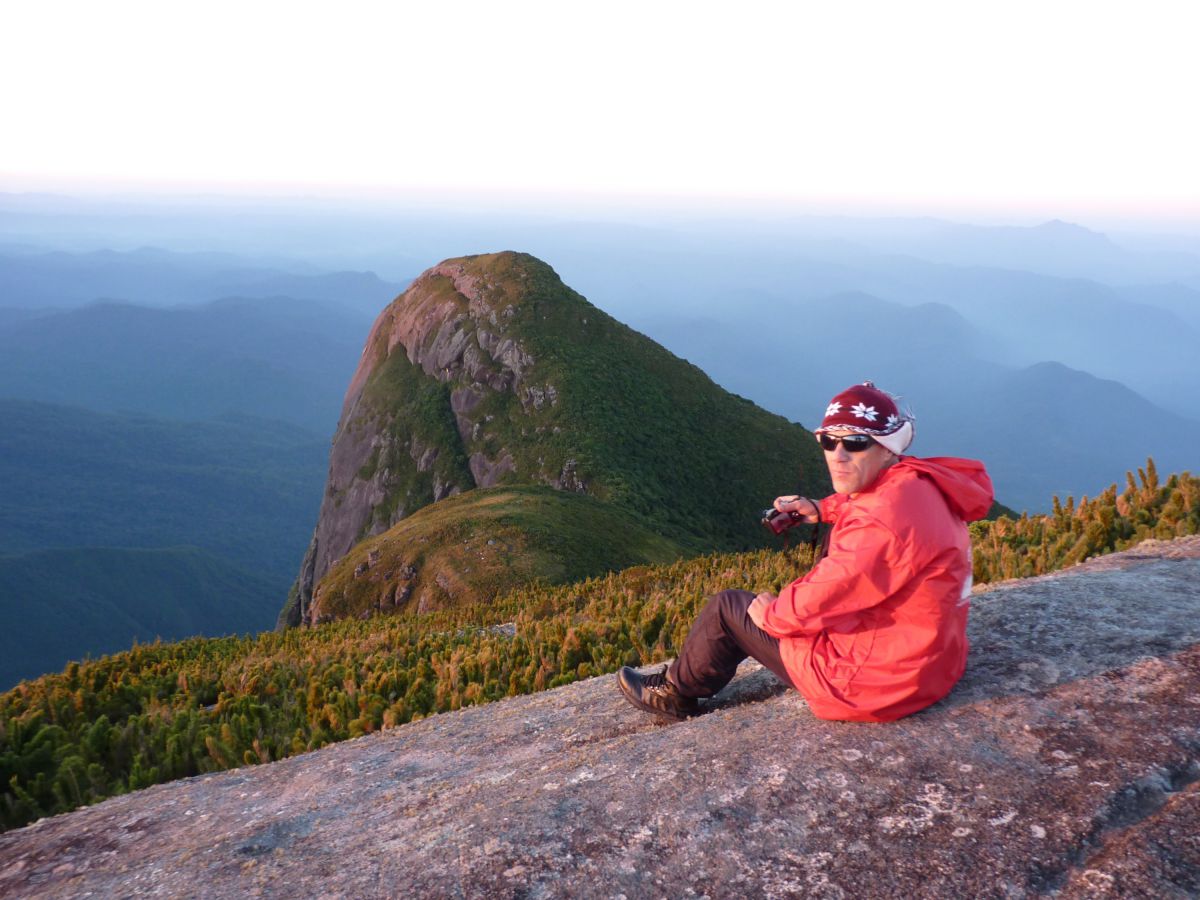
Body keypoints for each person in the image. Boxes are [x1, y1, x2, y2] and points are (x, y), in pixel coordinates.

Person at [616, 381, 994, 723]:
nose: (838, 455)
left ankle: (674, 692)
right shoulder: (918, 483)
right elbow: (876, 513)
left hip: (871, 684)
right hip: (930, 664)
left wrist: (771, 614)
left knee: (728, 608)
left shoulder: (877, 527)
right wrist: (821, 508)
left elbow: (817, 596)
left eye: (855, 442)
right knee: (830, 544)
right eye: (828, 441)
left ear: (887, 448)